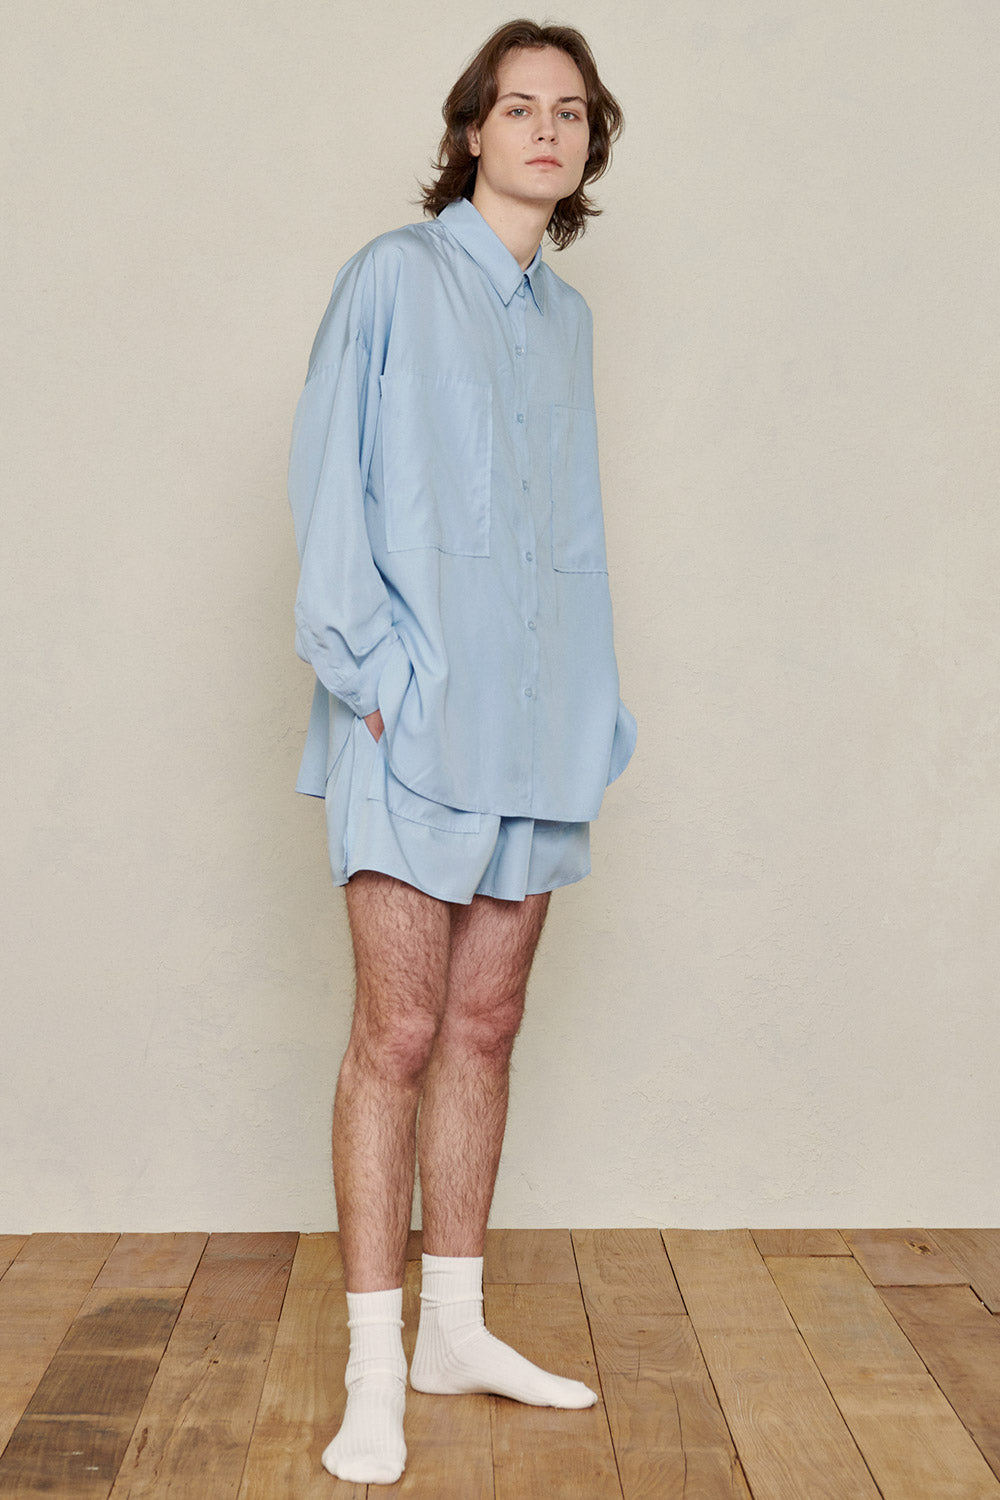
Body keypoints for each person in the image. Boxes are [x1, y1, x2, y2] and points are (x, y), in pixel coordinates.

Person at [287, 18, 635, 1485]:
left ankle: (455, 1331)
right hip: (410, 726)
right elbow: (329, 485)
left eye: (572, 112)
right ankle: (373, 1371)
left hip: (539, 734)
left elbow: (567, 537)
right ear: (472, 130)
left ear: (587, 146)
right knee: (399, 1033)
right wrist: (373, 679)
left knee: (487, 1029)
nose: (547, 130)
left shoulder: (569, 323)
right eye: (520, 106)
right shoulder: (391, 277)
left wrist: (595, 706)